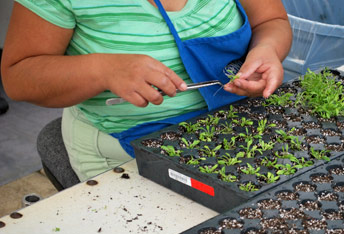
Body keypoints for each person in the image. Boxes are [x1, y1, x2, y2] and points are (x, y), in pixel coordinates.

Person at [1, 0, 292, 181]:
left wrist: (267, 49)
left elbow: (271, 21)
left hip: (233, 126)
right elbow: (18, 77)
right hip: (126, 145)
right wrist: (101, 69)